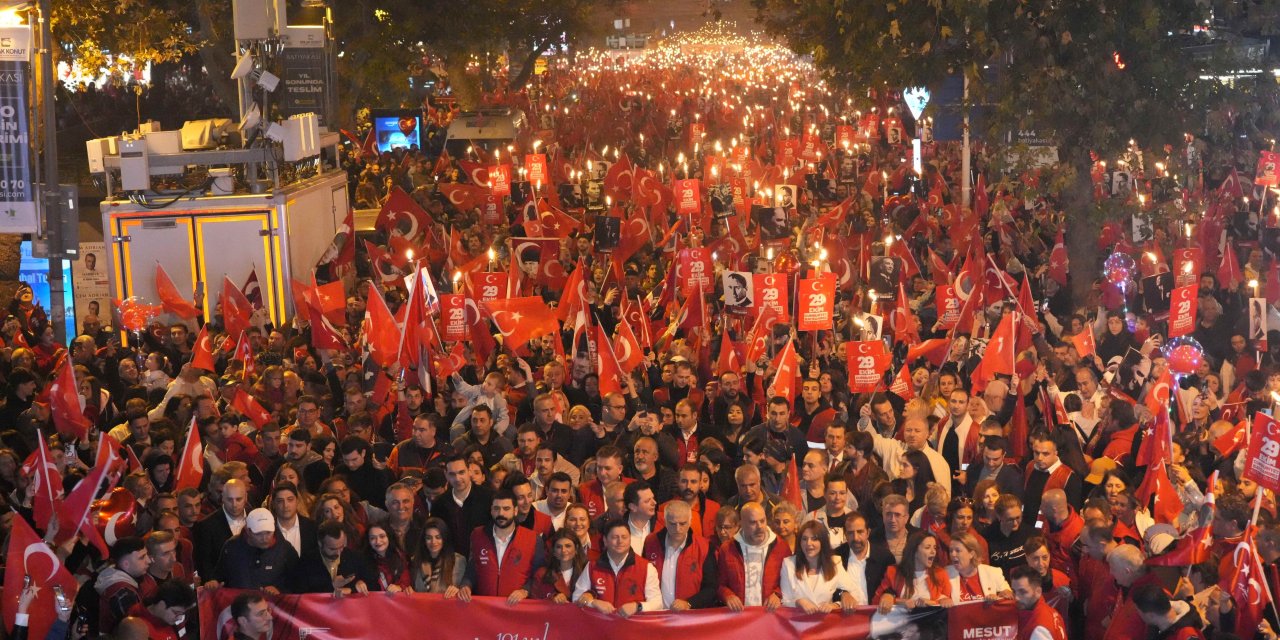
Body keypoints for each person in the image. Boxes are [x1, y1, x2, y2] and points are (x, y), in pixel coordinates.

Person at [456, 490, 543, 601]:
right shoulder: (477, 535)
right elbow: (473, 568)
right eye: (496, 508)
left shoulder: (533, 539)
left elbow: (539, 575)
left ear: (515, 511)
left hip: (518, 607)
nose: (501, 513)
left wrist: (525, 590)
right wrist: (466, 585)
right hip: (485, 607)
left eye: (506, 509)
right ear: (491, 511)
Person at [573, 519, 664, 615]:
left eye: (624, 537)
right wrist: (594, 603)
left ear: (630, 539)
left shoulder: (646, 567)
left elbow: (657, 603)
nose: (620, 541)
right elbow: (576, 597)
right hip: (600, 628)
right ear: (605, 540)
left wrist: (637, 606)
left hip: (633, 628)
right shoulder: (592, 566)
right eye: (615, 537)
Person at [641, 499, 717, 610]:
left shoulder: (704, 547)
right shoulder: (650, 542)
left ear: (690, 521)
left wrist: (689, 603)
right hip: (657, 616)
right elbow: (642, 580)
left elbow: (711, 587)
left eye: (683, 523)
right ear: (665, 521)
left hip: (690, 617)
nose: (678, 529)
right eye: (672, 524)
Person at [716, 501, 789, 612]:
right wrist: (728, 596)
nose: (759, 527)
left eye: (762, 521)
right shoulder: (727, 549)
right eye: (753, 523)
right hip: (739, 617)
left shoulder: (781, 547)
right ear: (742, 524)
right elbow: (719, 584)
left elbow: (791, 581)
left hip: (770, 616)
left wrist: (778, 595)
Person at [214, 507, 299, 593]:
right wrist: (214, 582)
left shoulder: (286, 549)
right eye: (258, 534)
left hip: (273, 604)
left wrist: (280, 590)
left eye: (268, 532)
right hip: (240, 604)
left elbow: (298, 581)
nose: (264, 538)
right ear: (248, 531)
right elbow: (219, 575)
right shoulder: (231, 547)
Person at [780, 520, 859, 613]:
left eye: (814, 539)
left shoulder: (835, 563)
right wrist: (798, 602)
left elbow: (854, 595)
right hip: (797, 624)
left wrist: (835, 605)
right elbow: (785, 601)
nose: (809, 543)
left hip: (825, 624)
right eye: (804, 539)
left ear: (823, 541)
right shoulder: (788, 564)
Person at [874, 531, 951, 613]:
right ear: (915, 551)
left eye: (935, 548)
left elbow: (948, 606)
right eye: (927, 547)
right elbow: (875, 602)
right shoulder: (893, 572)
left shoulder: (940, 574)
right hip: (900, 624)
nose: (933, 551)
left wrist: (935, 603)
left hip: (930, 624)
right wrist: (895, 600)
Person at [295, 520, 377, 595]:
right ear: (320, 544)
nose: (338, 553)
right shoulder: (306, 562)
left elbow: (373, 585)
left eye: (341, 546)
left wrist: (357, 586)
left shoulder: (354, 557)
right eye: (332, 549)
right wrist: (332, 586)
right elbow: (301, 596)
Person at [95, 537, 152, 634]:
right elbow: (134, 632)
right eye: (142, 557)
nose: (149, 561)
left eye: (146, 555)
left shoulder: (127, 582)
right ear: (126, 564)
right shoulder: (123, 593)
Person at [946, 531, 1012, 602]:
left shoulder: (993, 572)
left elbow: (1008, 594)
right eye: (950, 551)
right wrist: (943, 599)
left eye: (957, 550)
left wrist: (999, 597)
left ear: (971, 554)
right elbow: (938, 597)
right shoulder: (945, 573)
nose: (953, 554)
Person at [1009, 565, 1069, 640]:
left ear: (1038, 592)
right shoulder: (1051, 611)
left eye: (1023, 592)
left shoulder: (1038, 629)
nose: (1016, 597)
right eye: (1014, 591)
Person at [1132, 582, 1207, 640]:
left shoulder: (1186, 635)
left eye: (1138, 611)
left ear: (1150, 615)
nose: (1138, 614)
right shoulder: (1158, 628)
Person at [411, 517, 468, 594]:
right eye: (429, 538)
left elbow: (463, 590)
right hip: (421, 605)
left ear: (444, 538)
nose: (433, 542)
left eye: (438, 537)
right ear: (423, 540)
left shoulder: (457, 561)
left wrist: (458, 591)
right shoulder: (415, 560)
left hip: (447, 605)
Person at [533, 529, 588, 602]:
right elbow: (534, 603)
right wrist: (552, 598)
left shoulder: (587, 572)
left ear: (576, 549)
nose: (563, 550)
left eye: (568, 546)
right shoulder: (542, 574)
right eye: (558, 547)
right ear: (554, 551)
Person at [130, 579, 195, 640]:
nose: (180, 618)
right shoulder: (136, 626)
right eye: (176, 612)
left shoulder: (170, 618)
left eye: (182, 613)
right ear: (161, 604)